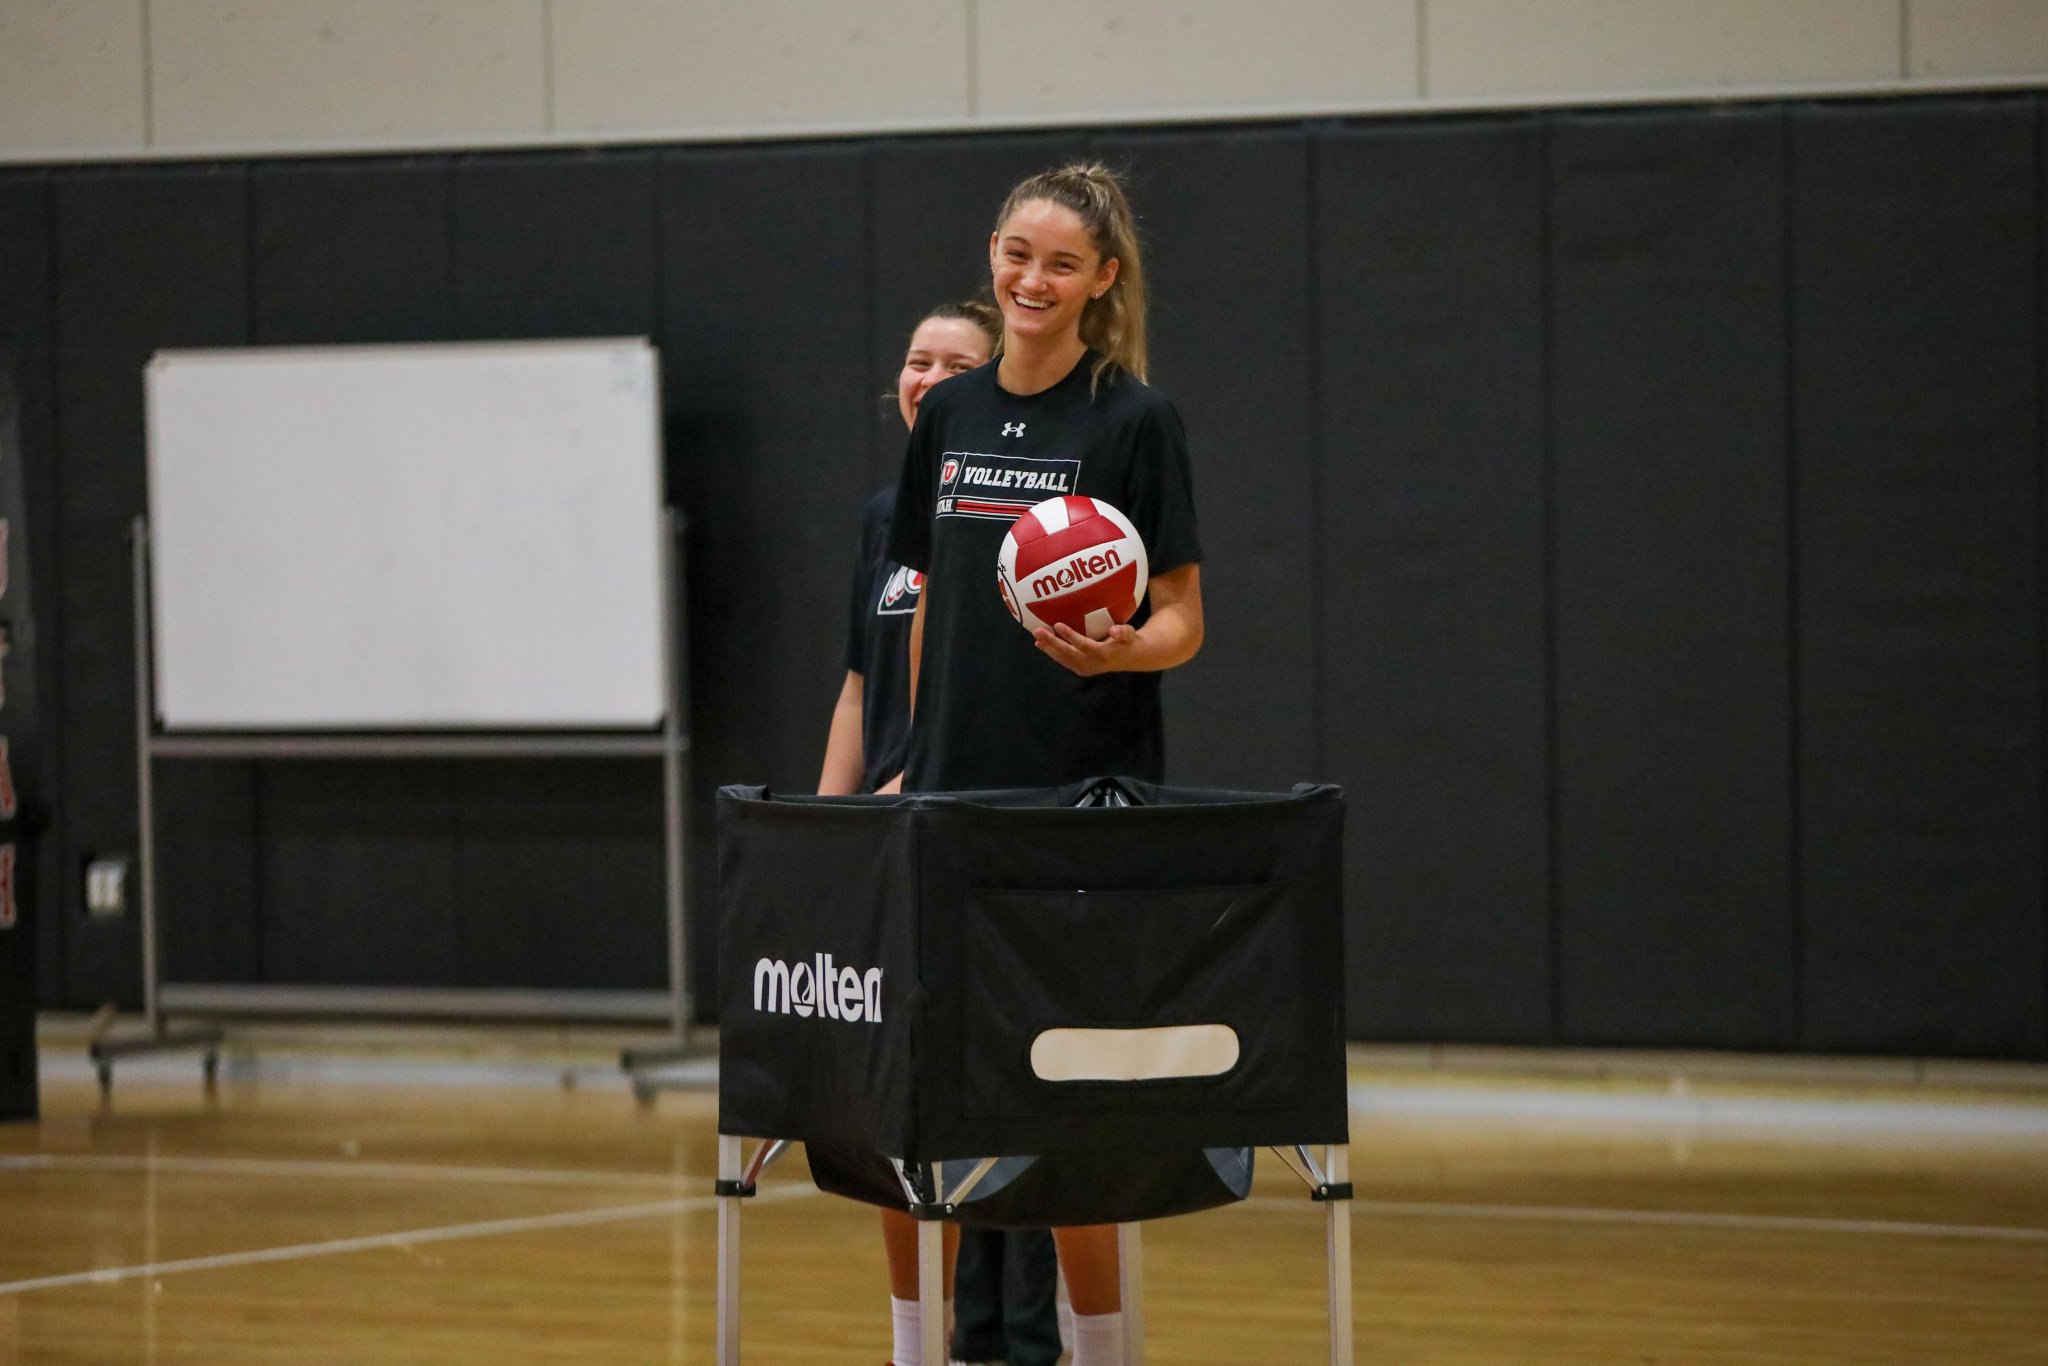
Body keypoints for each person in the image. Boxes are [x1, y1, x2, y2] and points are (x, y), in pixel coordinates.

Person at [887, 162, 1205, 1366]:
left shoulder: (1132, 420)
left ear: (1100, 281)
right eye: (1018, 255)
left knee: (1072, 1109)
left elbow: (1183, 617)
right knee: (941, 1097)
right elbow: (924, 596)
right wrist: (916, 759)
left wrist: (1126, 649)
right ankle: (930, 1349)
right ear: (994, 255)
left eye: (1061, 262)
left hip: (1078, 800)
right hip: (950, 802)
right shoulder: (953, 415)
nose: (1032, 279)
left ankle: (1103, 1349)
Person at [817, 298, 1063, 1366]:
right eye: (914, 360)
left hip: (972, 829)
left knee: (1008, 1096)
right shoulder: (884, 516)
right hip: (884, 841)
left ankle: (1025, 1334)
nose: (927, 377)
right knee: (909, 1103)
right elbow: (857, 684)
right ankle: (942, 1339)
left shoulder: (1015, 516)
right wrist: (825, 824)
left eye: (952, 362)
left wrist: (928, 775)